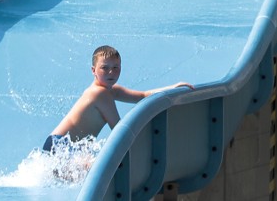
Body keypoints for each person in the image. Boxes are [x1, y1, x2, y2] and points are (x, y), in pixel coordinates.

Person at [43, 45, 193, 152]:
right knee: (93, 169)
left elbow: (143, 96)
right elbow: (119, 129)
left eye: (116, 67)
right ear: (93, 71)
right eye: (105, 68)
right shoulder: (99, 94)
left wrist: (173, 87)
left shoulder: (110, 91)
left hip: (68, 146)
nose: (111, 72)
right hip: (60, 145)